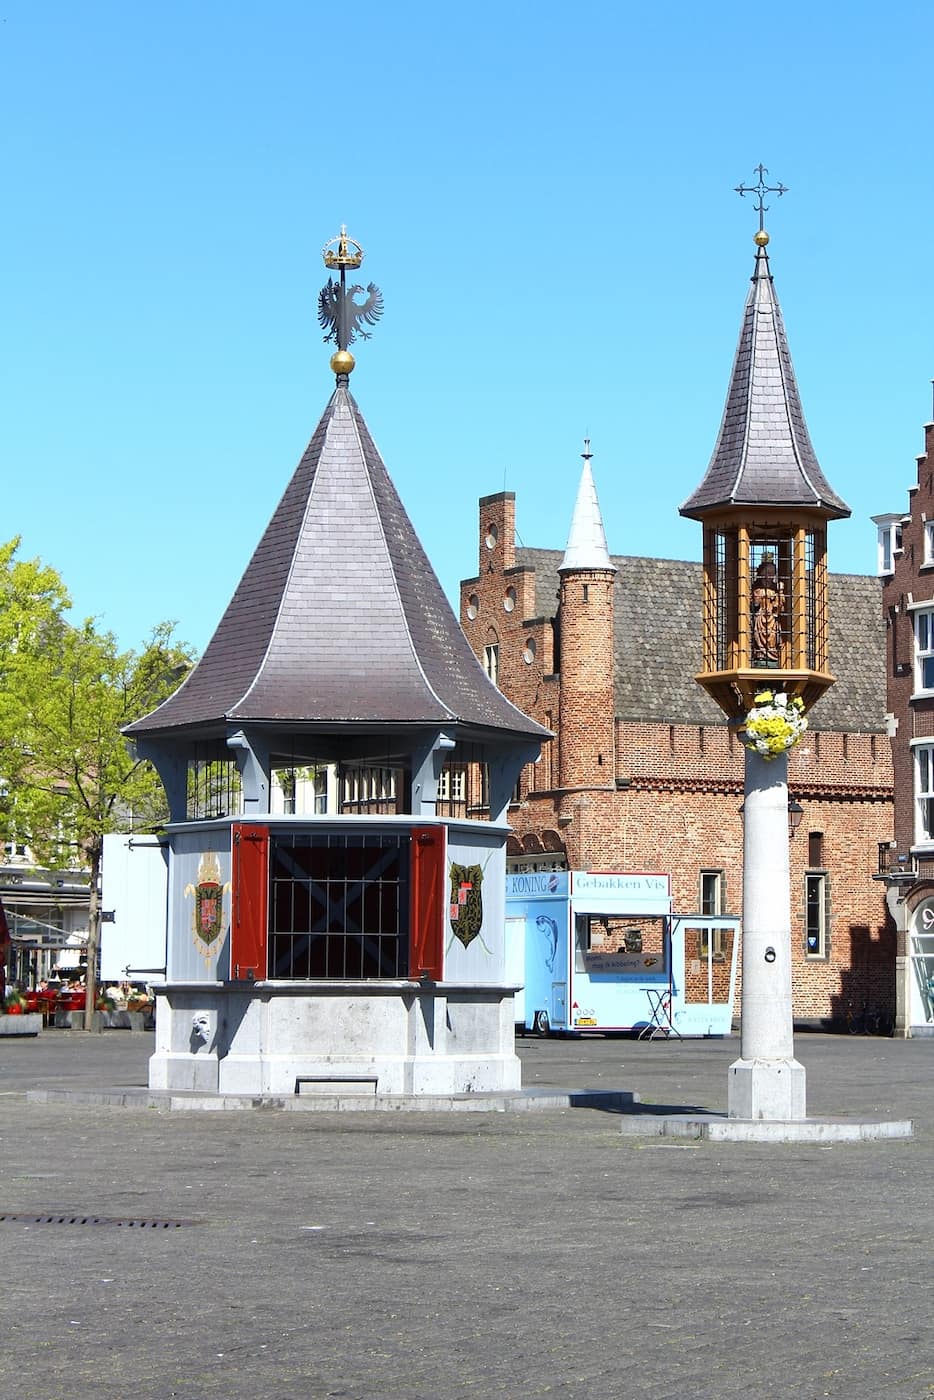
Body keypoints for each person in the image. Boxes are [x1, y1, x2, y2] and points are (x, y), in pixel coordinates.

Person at [751, 554, 785, 668]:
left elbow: (780, 607)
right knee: (759, 634)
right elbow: (753, 605)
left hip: (772, 620)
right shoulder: (757, 589)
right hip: (760, 618)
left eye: (771, 574)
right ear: (760, 574)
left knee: (772, 637)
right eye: (765, 574)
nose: (768, 577)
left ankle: (772, 653)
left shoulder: (776, 589)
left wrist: (780, 592)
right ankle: (760, 654)